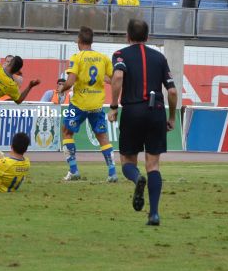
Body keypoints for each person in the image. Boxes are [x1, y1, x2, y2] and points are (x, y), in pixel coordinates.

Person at [108, 19, 177, 226]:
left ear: (127, 37)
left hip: (133, 110)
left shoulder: (121, 55)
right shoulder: (160, 57)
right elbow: (172, 92)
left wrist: (113, 106)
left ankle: (137, 178)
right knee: (153, 164)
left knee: (128, 162)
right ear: (148, 37)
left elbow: (118, 77)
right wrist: (172, 117)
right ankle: (154, 214)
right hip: (156, 112)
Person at [58, 27, 115, 182]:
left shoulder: (77, 57)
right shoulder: (102, 58)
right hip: (97, 104)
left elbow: (69, 82)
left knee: (67, 132)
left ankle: (74, 170)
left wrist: (61, 89)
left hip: (78, 104)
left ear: (79, 41)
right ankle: (112, 173)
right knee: (102, 137)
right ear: (91, 41)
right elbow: (112, 79)